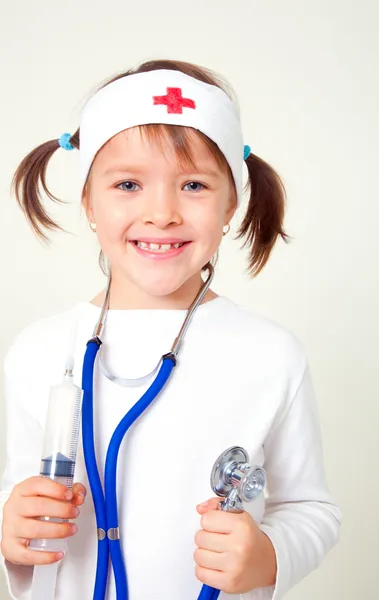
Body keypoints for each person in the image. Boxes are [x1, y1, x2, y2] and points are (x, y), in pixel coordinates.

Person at [0, 59, 341, 600]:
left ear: (231, 203)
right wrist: (11, 531)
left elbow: (310, 509)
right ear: (89, 201)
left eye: (194, 185)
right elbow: (15, 500)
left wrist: (269, 556)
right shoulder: (38, 351)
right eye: (128, 183)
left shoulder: (269, 354)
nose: (161, 213)